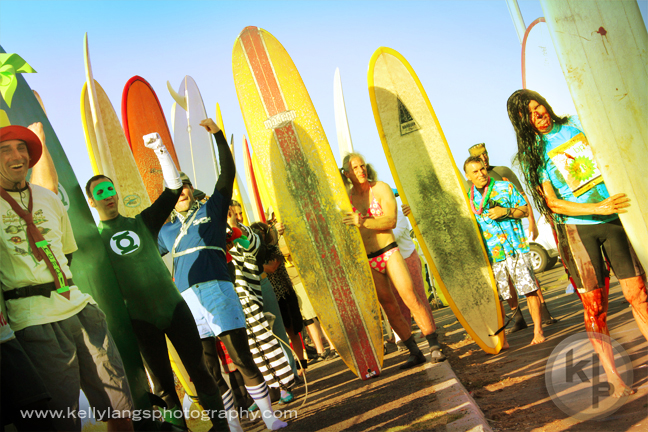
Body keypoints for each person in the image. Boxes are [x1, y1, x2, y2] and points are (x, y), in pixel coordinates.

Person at [507, 89, 648, 396]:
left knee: (638, 294)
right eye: (528, 114)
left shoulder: (576, 125)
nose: (538, 114)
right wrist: (597, 208)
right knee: (595, 307)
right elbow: (554, 203)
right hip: (578, 231)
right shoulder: (533, 154)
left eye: (538, 106)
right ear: (522, 123)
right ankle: (613, 377)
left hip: (614, 220)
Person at [85, 132, 227, 430]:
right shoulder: (94, 242)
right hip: (140, 322)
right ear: (91, 201)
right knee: (164, 387)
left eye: (110, 189)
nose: (108, 195)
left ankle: (223, 428)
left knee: (200, 372)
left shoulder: (142, 222)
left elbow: (174, 189)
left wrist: (161, 150)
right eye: (100, 193)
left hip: (174, 309)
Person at [0, 124, 134, 431]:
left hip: (81, 310)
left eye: (21, 148)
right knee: (60, 419)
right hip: (34, 322)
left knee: (120, 406)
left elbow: (66, 253)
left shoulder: (48, 199)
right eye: (5, 150)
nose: (16, 155)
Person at [157, 118, 287, 430]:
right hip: (188, 300)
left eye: (184, 185)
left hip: (218, 289)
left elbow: (227, 174)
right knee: (209, 370)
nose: (181, 191)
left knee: (240, 357)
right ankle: (232, 424)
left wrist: (217, 137)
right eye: (175, 188)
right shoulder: (164, 230)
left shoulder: (211, 210)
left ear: (190, 188)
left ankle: (269, 416)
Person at [341, 153, 445, 368]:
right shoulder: (346, 198)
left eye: (363, 165)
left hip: (389, 251)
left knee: (410, 296)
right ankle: (414, 352)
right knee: (389, 307)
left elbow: (390, 220)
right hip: (368, 258)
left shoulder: (380, 188)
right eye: (356, 168)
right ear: (347, 173)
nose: (361, 170)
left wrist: (363, 222)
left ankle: (434, 346)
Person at [466, 143, 558, 330]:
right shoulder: (468, 195)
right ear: (468, 175)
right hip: (493, 253)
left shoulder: (503, 176)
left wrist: (511, 214)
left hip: (515, 246)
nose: (481, 171)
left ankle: (540, 325)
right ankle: (518, 320)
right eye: (475, 170)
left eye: (482, 164)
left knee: (529, 286)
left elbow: (523, 204)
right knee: (504, 291)